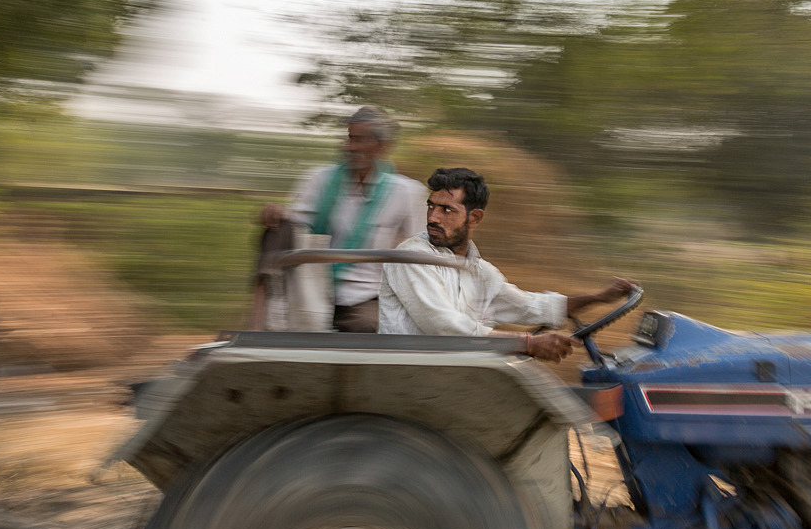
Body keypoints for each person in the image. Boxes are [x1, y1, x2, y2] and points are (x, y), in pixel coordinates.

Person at [378, 167, 637, 363]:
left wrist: (600, 297)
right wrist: (528, 343)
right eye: (431, 207)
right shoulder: (413, 256)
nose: (433, 217)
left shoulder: (478, 271)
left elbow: (530, 306)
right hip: (412, 372)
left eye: (446, 210)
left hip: (451, 371)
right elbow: (443, 325)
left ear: (475, 217)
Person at [255, 106, 425, 332]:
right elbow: (294, 224)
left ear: (382, 146)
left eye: (360, 140)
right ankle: (260, 321)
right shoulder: (320, 179)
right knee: (277, 230)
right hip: (312, 289)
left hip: (366, 295)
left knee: (366, 329)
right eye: (349, 139)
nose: (351, 147)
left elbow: (421, 250)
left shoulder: (407, 192)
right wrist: (275, 213)